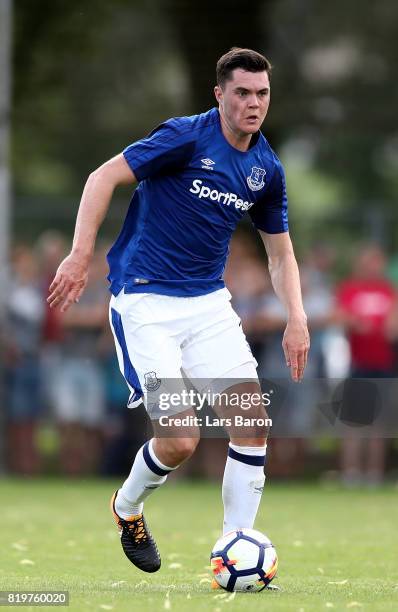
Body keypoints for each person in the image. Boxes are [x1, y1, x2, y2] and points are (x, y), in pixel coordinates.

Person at [48, 48, 309, 576]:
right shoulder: (186, 135)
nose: (253, 104)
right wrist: (79, 254)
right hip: (146, 302)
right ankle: (127, 507)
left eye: (261, 94)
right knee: (180, 440)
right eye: (242, 93)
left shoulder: (266, 169)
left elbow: (280, 254)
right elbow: (102, 177)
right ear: (220, 95)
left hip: (208, 305)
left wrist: (296, 317)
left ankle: (235, 546)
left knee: (252, 423)